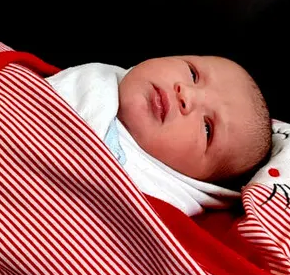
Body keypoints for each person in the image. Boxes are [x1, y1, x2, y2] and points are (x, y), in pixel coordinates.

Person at [47, 55, 271, 215]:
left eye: (207, 128)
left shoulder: (152, 209)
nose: (187, 94)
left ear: (197, 183)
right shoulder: (92, 81)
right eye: (193, 74)